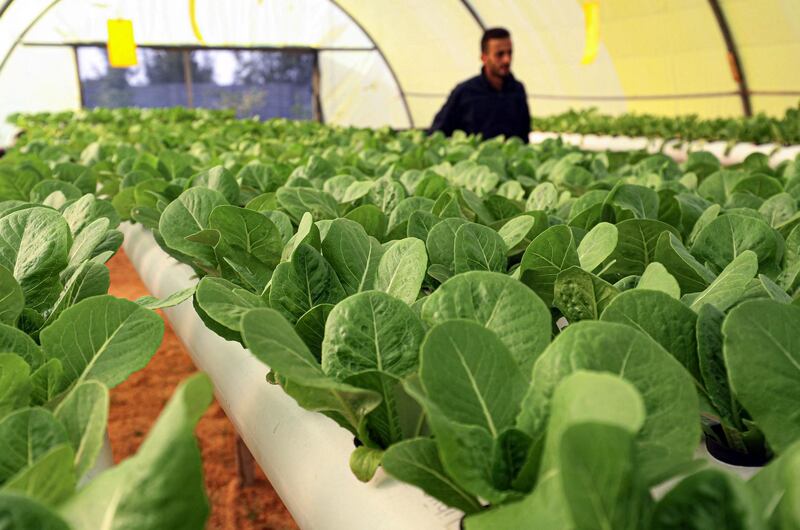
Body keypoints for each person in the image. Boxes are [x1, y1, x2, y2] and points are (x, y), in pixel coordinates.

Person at [430, 27, 531, 142]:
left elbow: (524, 137)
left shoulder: (517, 90)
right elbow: (438, 132)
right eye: (500, 54)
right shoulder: (465, 92)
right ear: (484, 58)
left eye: (510, 53)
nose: (507, 60)